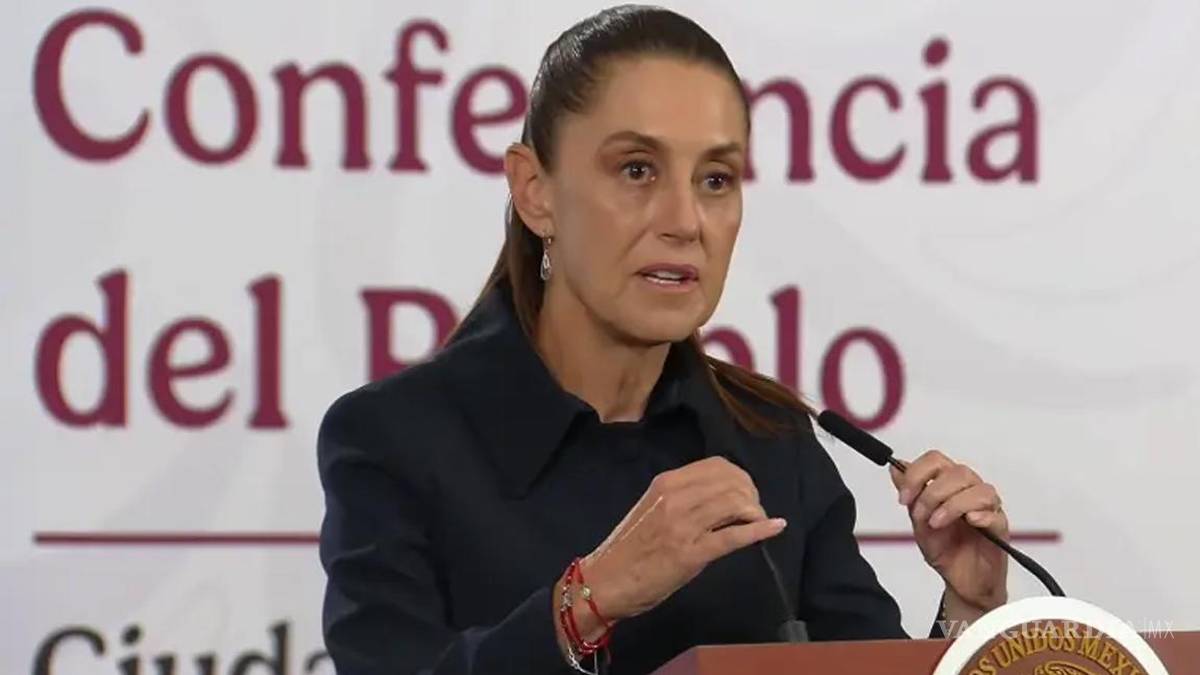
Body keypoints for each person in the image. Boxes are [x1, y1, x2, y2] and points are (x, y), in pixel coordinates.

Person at [316, 6, 1009, 675]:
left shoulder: (772, 440)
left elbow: (862, 668)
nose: (685, 220)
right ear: (534, 192)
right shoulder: (394, 438)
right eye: (637, 169)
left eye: (715, 179)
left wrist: (970, 611)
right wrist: (589, 601)